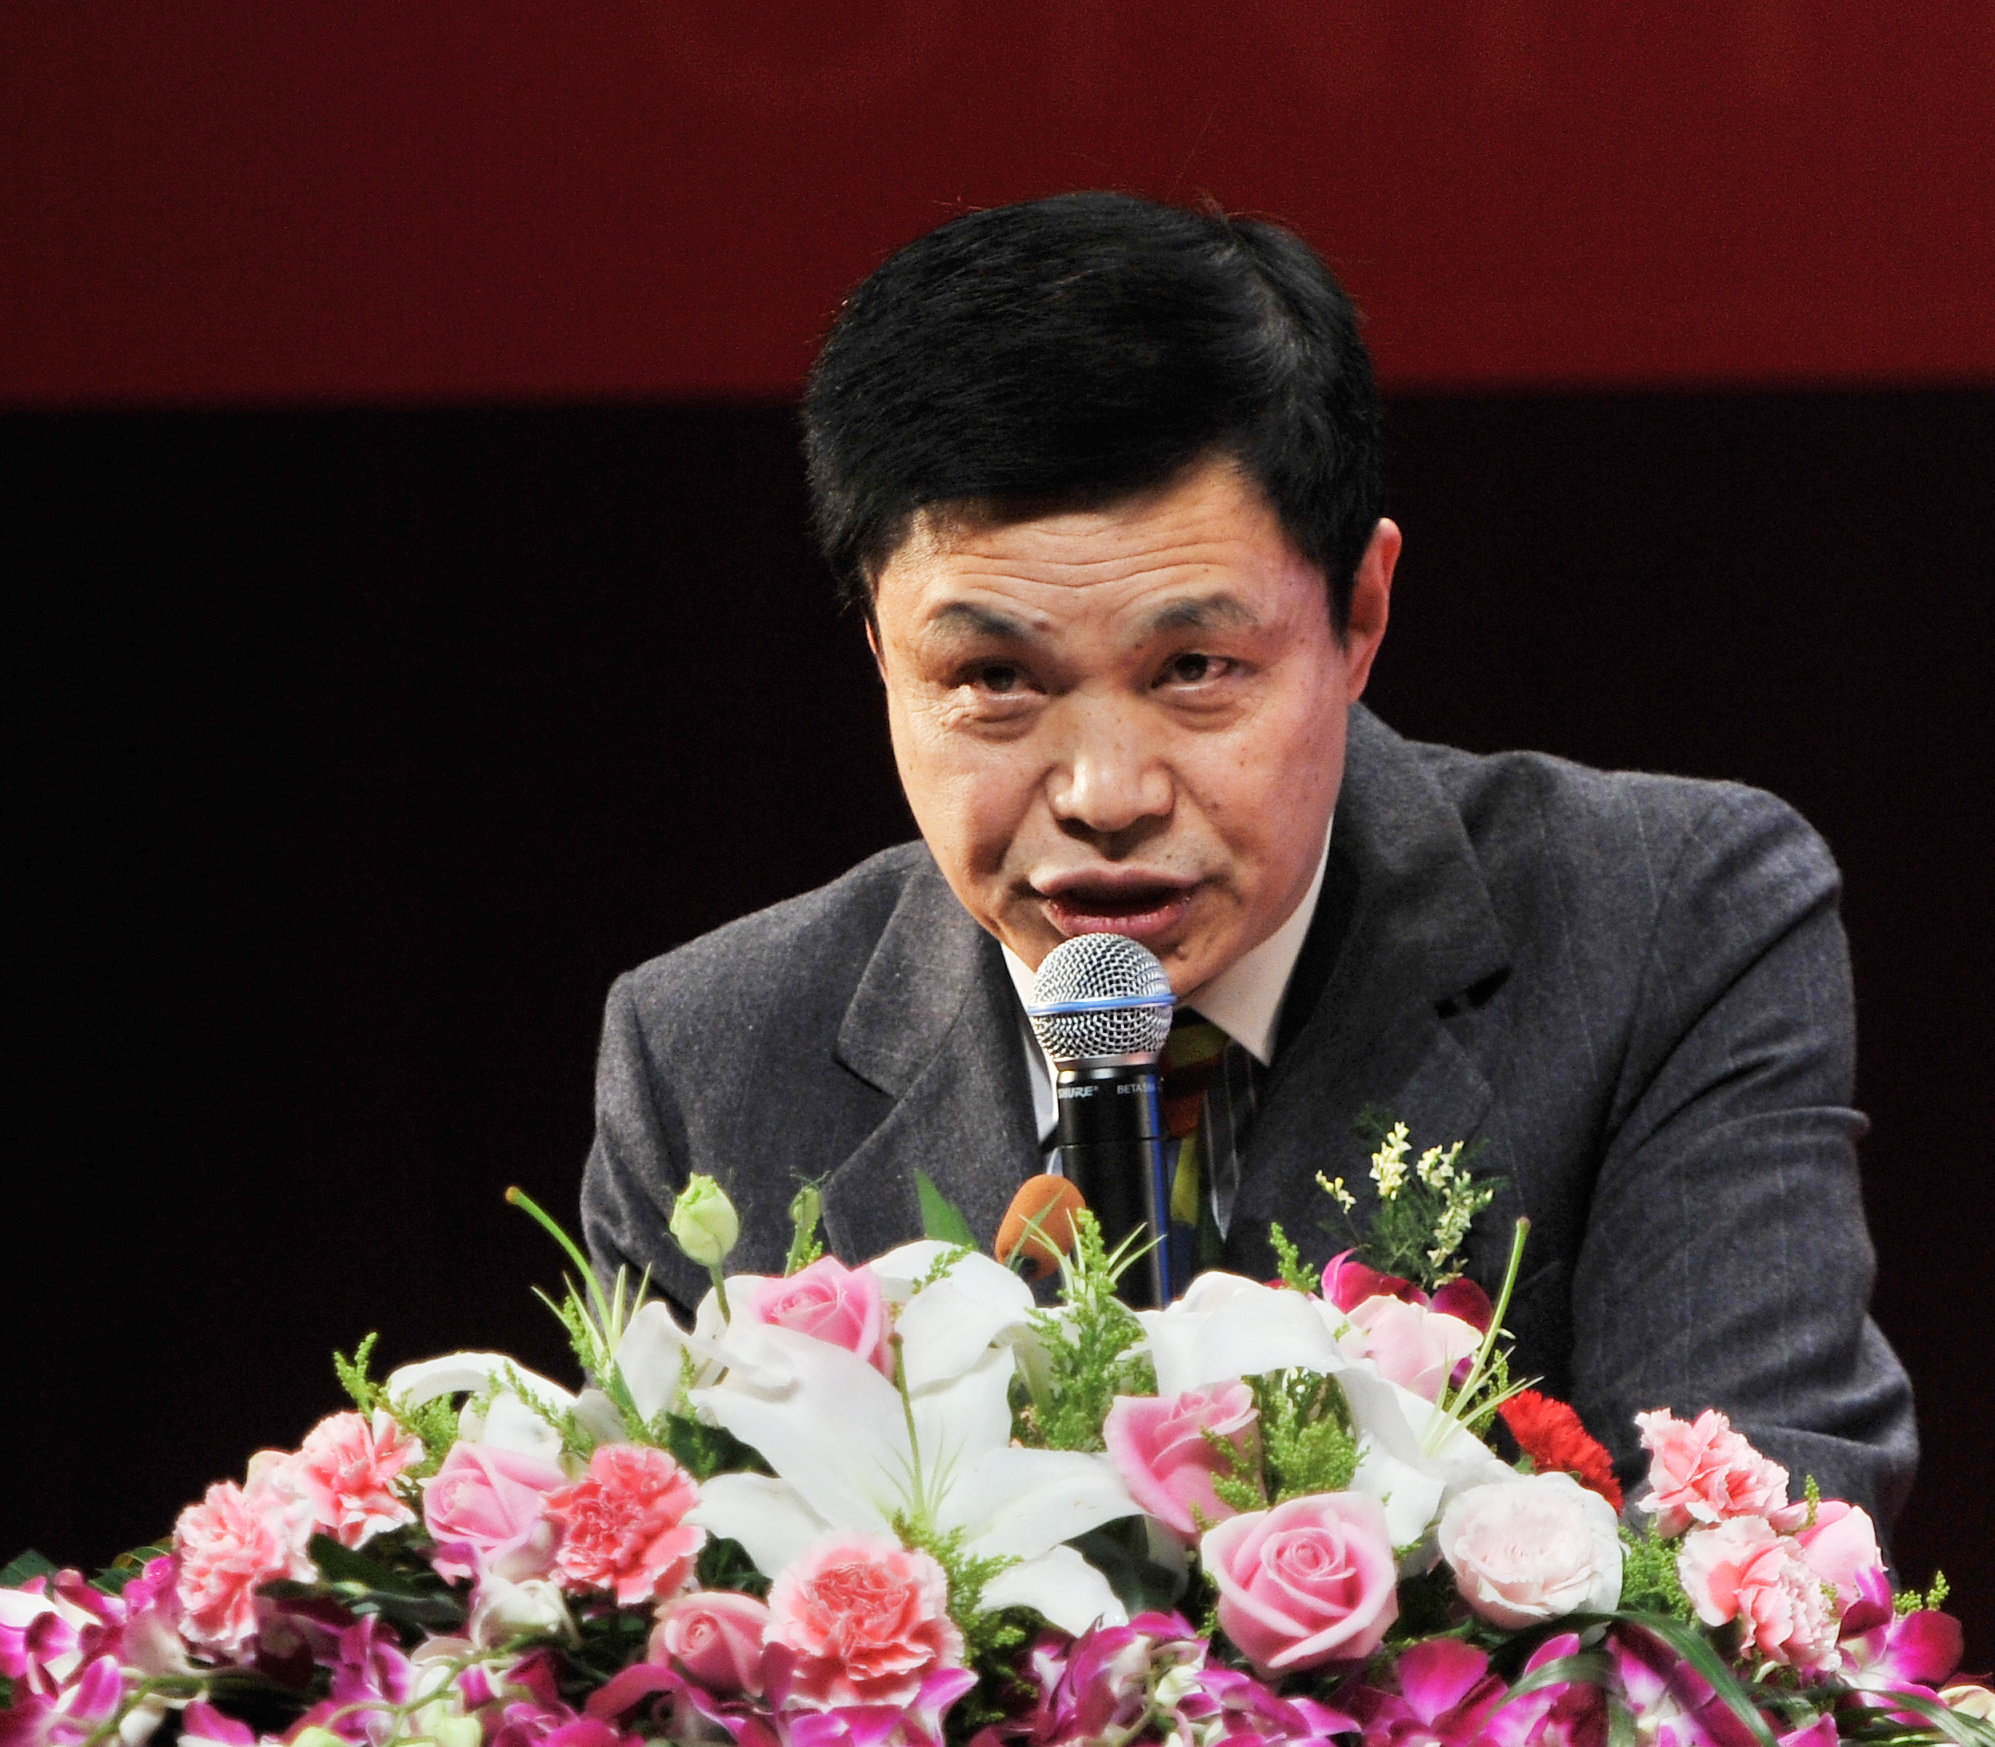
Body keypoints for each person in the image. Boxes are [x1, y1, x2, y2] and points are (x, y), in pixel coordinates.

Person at [580, 190, 1913, 1531]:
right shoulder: (710, 1057)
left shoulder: (1662, 926)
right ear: (882, 652)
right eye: (992, 678)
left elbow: (1768, 1563)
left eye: (1195, 669)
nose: (1106, 797)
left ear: (1361, 615)